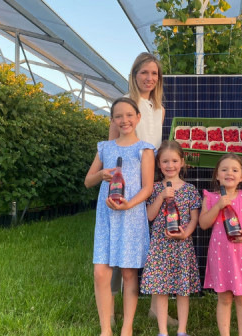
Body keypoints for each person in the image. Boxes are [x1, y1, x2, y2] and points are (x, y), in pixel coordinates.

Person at [108, 52, 176, 326]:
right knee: (118, 246)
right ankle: (111, 311)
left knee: (153, 245)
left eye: (154, 74)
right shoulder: (125, 104)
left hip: (149, 183)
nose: (149, 78)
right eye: (144, 72)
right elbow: (112, 147)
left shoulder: (159, 109)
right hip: (125, 184)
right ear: (134, 74)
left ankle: (154, 308)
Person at [84, 97, 155, 336]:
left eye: (128, 115)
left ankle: (127, 327)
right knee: (100, 271)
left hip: (132, 216)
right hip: (106, 216)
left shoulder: (144, 150)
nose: (124, 120)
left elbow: (147, 188)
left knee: (128, 272)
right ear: (112, 120)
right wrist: (102, 173)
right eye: (118, 116)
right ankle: (106, 328)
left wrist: (129, 205)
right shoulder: (105, 147)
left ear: (138, 118)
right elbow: (87, 181)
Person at [140, 140, 201, 336]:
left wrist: (186, 232)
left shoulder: (190, 190)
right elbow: (149, 216)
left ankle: (182, 330)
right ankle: (163, 331)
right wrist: (161, 197)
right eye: (165, 161)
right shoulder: (154, 188)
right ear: (159, 164)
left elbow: (194, 218)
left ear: (182, 162)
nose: (170, 165)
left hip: (182, 245)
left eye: (174, 161)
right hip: (160, 246)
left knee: (182, 290)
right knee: (161, 288)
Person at [199, 153, 242, 336]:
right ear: (217, 175)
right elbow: (203, 224)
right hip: (220, 254)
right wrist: (218, 206)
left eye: (235, 170)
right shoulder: (210, 197)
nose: (229, 173)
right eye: (224, 169)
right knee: (224, 298)